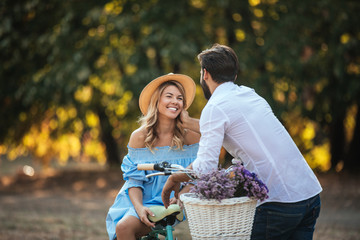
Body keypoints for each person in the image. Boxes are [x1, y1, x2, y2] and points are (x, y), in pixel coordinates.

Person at [161, 44, 322, 240]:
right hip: (309, 195)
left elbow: (205, 168)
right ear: (234, 76)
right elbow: (232, 128)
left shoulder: (215, 107)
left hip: (279, 204)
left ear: (205, 74)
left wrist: (173, 178)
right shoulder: (249, 94)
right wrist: (187, 122)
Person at [106, 73, 200, 240]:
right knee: (123, 227)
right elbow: (134, 180)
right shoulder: (139, 137)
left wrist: (182, 198)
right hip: (138, 200)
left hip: (171, 201)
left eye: (179, 98)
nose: (175, 101)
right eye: (169, 96)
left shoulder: (190, 136)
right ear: (157, 101)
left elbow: (198, 174)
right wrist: (139, 208)